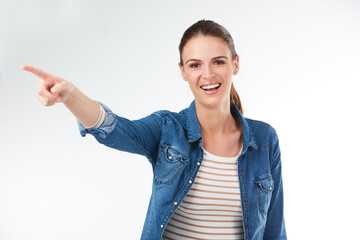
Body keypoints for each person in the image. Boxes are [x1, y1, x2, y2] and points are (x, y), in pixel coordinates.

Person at [23, 19, 286, 240]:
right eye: (195, 65)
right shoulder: (167, 129)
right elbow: (116, 130)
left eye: (218, 62)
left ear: (235, 63)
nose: (208, 74)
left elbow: (274, 230)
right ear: (183, 71)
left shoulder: (264, 140)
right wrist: (70, 96)